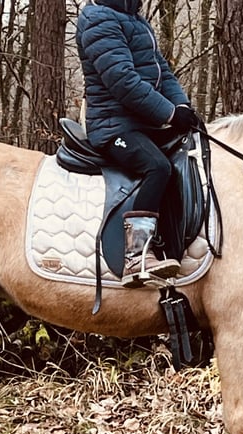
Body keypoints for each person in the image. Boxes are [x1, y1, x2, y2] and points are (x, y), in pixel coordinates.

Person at [76, 0, 199, 288]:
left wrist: (182, 106)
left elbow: (163, 73)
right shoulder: (98, 18)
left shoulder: (134, 19)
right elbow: (122, 79)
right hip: (113, 127)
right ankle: (136, 255)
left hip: (143, 124)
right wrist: (168, 113)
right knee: (156, 167)